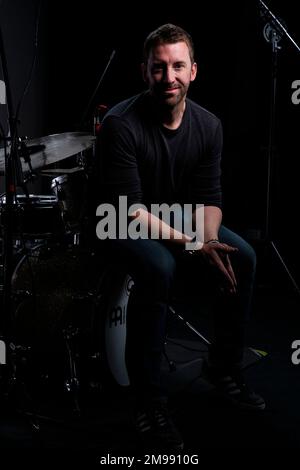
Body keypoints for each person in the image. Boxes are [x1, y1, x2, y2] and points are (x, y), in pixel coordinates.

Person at [97, 23, 265, 451]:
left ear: (193, 71)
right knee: (159, 265)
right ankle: (148, 401)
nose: (167, 77)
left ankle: (222, 366)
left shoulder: (209, 126)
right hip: (116, 219)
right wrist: (193, 244)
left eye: (177, 66)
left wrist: (208, 240)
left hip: (175, 216)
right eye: (158, 68)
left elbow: (209, 200)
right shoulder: (121, 124)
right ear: (144, 71)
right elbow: (131, 212)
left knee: (242, 255)